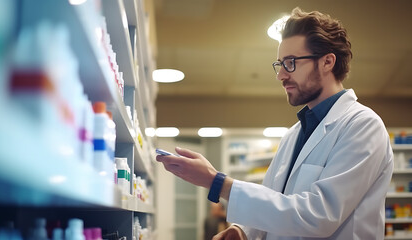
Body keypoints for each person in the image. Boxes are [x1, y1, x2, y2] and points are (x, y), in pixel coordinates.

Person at [156, 7, 393, 240]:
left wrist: (218, 182)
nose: (281, 75)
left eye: (291, 62)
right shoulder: (294, 134)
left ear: (327, 62)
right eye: (280, 64)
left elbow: (319, 216)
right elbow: (274, 198)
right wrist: (244, 231)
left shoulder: (363, 126)